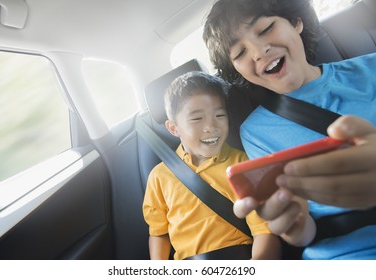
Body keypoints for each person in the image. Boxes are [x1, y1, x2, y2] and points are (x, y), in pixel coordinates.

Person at [203, 0, 376, 259]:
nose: (259, 51)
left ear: (296, 22)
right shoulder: (254, 132)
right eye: (239, 53)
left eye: (266, 29)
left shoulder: (371, 68)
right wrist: (296, 230)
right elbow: (304, 229)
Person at [142, 71, 281, 260]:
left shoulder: (243, 164)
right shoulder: (159, 177)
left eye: (219, 115)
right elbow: (159, 232)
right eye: (197, 119)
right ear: (174, 128)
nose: (211, 126)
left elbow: (264, 230)